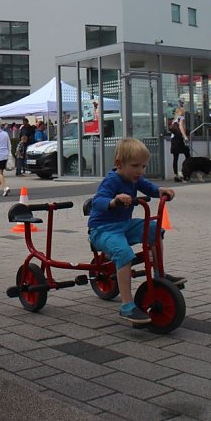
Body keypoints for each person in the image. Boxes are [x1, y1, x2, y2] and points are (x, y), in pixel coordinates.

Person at [87, 138, 182, 324]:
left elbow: (149, 187)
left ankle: (159, 276)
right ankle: (127, 305)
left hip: (124, 225)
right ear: (119, 164)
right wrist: (114, 201)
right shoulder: (112, 180)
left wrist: (160, 190)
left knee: (154, 229)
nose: (140, 171)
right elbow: (97, 201)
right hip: (102, 229)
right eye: (135, 166)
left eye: (144, 166)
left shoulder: (134, 179)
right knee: (124, 253)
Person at [168, 115, 190, 183]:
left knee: (175, 158)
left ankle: (176, 175)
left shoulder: (174, 119)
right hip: (179, 140)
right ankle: (185, 174)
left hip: (173, 140)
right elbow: (181, 127)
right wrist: (185, 137)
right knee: (188, 157)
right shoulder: (181, 117)